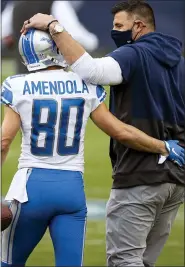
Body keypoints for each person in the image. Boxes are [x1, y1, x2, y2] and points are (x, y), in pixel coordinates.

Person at [20, 0, 185, 266]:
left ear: (139, 25)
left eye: (120, 25)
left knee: (125, 261)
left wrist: (53, 26)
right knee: (143, 262)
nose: (115, 31)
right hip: (175, 179)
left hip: (140, 173)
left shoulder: (133, 54)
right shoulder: (178, 61)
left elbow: (92, 71)